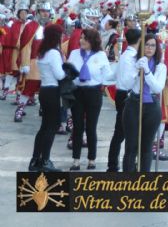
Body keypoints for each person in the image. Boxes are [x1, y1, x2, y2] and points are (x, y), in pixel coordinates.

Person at [67, 28, 112, 170]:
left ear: (93, 41)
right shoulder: (74, 54)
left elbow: (108, 75)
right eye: (81, 38)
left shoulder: (100, 55)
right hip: (77, 92)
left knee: (91, 127)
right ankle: (76, 159)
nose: (81, 41)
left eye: (85, 39)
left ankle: (92, 159)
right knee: (77, 126)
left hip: (93, 92)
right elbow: (67, 71)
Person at [122, 34, 166, 172]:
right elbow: (126, 84)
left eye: (152, 45)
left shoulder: (161, 67)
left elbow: (157, 88)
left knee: (146, 147)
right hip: (134, 103)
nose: (149, 48)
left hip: (152, 106)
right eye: (146, 44)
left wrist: (147, 71)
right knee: (131, 146)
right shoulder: (134, 61)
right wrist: (136, 69)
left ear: (156, 48)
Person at [29, 24, 66, 172]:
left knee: (44, 127)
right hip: (52, 91)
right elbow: (59, 75)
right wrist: (67, 70)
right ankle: (45, 161)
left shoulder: (43, 51)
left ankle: (35, 160)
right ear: (56, 36)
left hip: (44, 89)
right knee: (51, 127)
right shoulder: (54, 53)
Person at [106, 28, 141, 172]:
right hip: (126, 95)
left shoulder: (126, 55)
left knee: (120, 132)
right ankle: (116, 165)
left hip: (122, 94)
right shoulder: (130, 58)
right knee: (123, 132)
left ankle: (114, 164)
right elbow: (127, 81)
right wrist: (138, 73)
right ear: (139, 40)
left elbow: (114, 75)